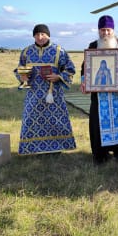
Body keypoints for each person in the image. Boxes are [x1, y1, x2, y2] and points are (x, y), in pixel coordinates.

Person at [81, 15, 118, 165]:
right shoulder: (93, 45)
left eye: (108, 30)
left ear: (113, 30)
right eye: (102, 30)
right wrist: (84, 82)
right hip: (99, 96)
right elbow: (85, 67)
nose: (105, 33)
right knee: (98, 123)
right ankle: (100, 155)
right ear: (98, 31)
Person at [15, 24, 76, 155]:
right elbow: (19, 69)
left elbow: (70, 69)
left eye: (43, 34)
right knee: (31, 119)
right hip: (33, 94)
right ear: (33, 36)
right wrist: (22, 76)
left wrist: (59, 76)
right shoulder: (26, 52)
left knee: (55, 120)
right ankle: (32, 148)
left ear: (48, 35)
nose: (40, 37)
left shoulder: (59, 51)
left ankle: (56, 148)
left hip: (53, 93)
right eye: (37, 35)